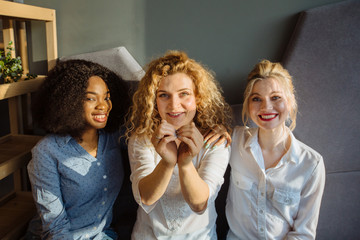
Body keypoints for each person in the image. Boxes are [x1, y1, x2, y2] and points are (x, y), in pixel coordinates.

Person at [125, 50, 232, 239]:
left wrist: (184, 163)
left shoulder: (215, 141)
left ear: (197, 97)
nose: (174, 106)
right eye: (164, 95)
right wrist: (167, 162)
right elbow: (146, 198)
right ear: (153, 100)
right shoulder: (141, 139)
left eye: (184, 94)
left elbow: (199, 204)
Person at [26, 59, 131, 239]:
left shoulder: (115, 137)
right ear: (68, 101)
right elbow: (55, 226)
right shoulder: (47, 151)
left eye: (106, 97)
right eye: (90, 98)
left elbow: (147, 137)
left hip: (103, 235)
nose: (104, 106)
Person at [226, 60, 326, 239]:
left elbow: (303, 234)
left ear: (290, 100)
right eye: (256, 99)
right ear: (248, 104)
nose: (266, 107)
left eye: (275, 97)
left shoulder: (312, 164)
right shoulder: (233, 140)